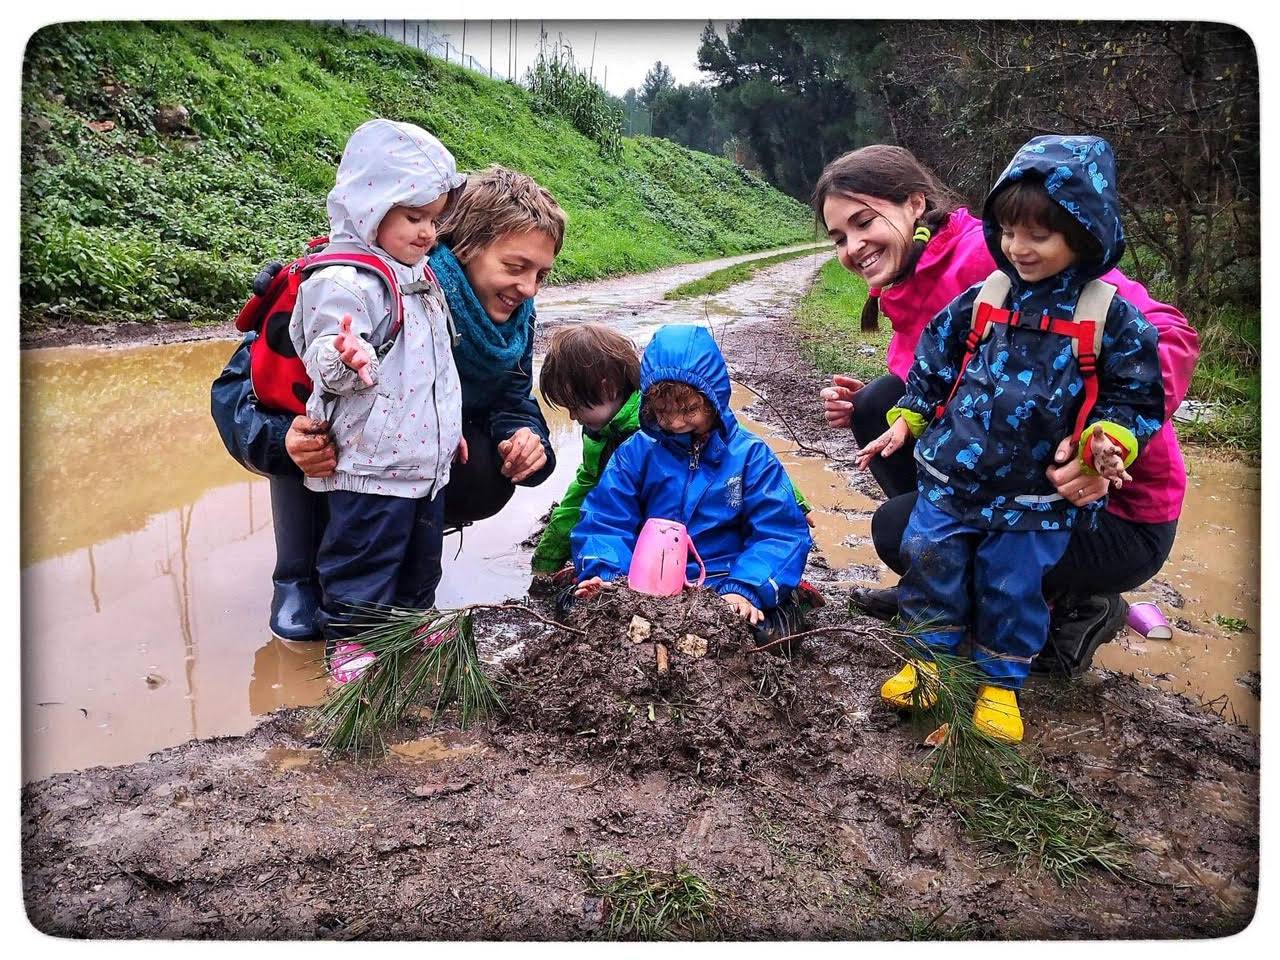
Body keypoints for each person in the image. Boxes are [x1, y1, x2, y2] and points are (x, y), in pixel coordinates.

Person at [811, 142, 1199, 676]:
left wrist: (1098, 443)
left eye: (863, 222)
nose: (854, 247)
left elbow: (1171, 336)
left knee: (895, 529)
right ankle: (947, 585)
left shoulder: (1004, 255)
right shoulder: (915, 287)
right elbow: (945, 391)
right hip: (1008, 483)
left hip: (1111, 510)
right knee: (878, 405)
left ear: (916, 204)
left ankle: (1081, 604)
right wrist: (893, 412)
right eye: (839, 238)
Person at [211, 164, 566, 642]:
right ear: (462, 248)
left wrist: (528, 440)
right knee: (312, 432)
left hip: (411, 451)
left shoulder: (517, 321)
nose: (528, 288)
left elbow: (514, 398)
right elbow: (234, 390)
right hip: (338, 450)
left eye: (540, 274)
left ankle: (397, 575)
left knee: (482, 472)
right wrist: (282, 442)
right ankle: (298, 577)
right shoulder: (364, 285)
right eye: (515, 267)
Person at [286, 117, 466, 656]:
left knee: (419, 556)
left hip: (421, 459)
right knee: (363, 557)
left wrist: (447, 428)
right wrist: (345, 355)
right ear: (371, 207)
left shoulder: (421, 272)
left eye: (435, 219)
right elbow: (324, 356)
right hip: (369, 463)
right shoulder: (345, 280)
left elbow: (436, 365)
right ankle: (352, 644)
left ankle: (409, 627)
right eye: (414, 217)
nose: (428, 232)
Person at [570, 325, 816, 640]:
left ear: (714, 400)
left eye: (688, 410)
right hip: (643, 585)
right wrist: (609, 576)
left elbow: (780, 532)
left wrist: (745, 589)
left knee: (765, 631)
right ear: (647, 406)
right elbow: (605, 520)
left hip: (723, 583)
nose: (674, 422)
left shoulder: (750, 455)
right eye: (661, 411)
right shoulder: (636, 452)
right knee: (579, 610)